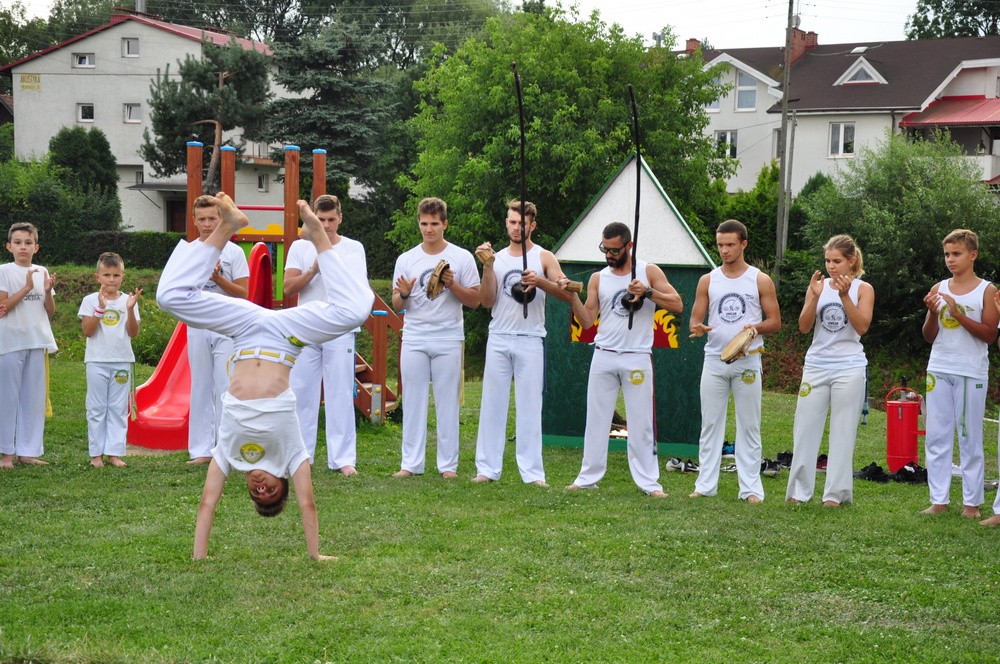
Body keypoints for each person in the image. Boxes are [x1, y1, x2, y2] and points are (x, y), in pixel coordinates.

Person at [156, 193, 373, 561]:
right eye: (270, 491)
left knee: (169, 297)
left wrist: (199, 556)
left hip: (242, 329)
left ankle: (228, 225)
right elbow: (308, 503)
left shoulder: (230, 453)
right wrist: (315, 555)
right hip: (287, 336)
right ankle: (319, 236)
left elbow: (208, 501)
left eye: (256, 494)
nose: (261, 488)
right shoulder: (291, 452)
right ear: (282, 482)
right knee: (355, 311)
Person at [565, 222, 682, 496]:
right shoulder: (598, 278)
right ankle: (587, 478)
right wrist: (572, 296)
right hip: (603, 354)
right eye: (605, 249)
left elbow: (677, 304)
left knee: (641, 423)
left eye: (615, 250)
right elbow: (587, 320)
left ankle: (649, 483)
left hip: (637, 356)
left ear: (629, 246)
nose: (609, 255)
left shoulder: (648, 271)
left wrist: (648, 292)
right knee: (596, 420)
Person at [472, 200, 573, 487]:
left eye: (523, 223)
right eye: (513, 222)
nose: (517, 228)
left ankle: (532, 472)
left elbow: (566, 291)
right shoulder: (497, 258)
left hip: (530, 338)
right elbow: (486, 301)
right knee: (492, 404)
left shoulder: (544, 256)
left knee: (530, 406)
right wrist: (487, 267)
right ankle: (487, 469)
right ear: (506, 223)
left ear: (533, 225)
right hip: (499, 336)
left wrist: (541, 282)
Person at [689, 219, 781, 502]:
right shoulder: (708, 280)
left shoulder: (760, 279)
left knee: (749, 425)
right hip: (714, 359)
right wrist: (698, 327)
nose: (724, 250)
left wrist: (755, 329)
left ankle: (751, 489)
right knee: (710, 424)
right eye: (720, 245)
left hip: (748, 360)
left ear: (744, 244)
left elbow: (775, 321)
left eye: (730, 244)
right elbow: (695, 319)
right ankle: (705, 486)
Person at [391, 197, 480, 478]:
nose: (428, 229)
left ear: (445, 224)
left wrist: (453, 284)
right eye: (424, 223)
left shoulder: (462, 257)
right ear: (418, 223)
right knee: (413, 401)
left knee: (447, 402)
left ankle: (448, 466)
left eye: (434, 224)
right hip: (415, 336)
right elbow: (397, 304)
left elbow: (475, 300)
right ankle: (410, 464)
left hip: (448, 337)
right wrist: (404, 293)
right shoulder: (406, 259)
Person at [785, 235, 873, 506]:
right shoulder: (818, 286)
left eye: (837, 261)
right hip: (816, 365)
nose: (831, 266)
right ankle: (798, 492)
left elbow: (862, 327)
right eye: (827, 261)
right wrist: (813, 296)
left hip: (849, 367)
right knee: (805, 428)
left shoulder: (863, 289)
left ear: (851, 261)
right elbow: (803, 327)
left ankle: (836, 494)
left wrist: (845, 297)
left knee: (843, 430)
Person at [284, 195, 369, 476]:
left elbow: (356, 288)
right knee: (301, 392)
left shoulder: (354, 248)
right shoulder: (299, 247)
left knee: (340, 393)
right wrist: (313, 270)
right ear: (313, 220)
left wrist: (330, 265)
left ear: (340, 219)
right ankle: (300, 456)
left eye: (332, 219)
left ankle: (343, 459)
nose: (327, 225)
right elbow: (288, 288)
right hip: (307, 326)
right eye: (320, 220)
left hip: (340, 327)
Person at [919, 229, 997, 519]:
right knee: (936, 435)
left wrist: (957, 313)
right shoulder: (939, 287)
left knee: (969, 437)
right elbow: (928, 336)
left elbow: (990, 335)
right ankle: (938, 500)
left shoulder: (986, 290)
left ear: (972, 255)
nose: (950, 259)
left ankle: (971, 504)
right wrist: (933, 313)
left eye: (957, 254)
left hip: (970, 371)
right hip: (939, 367)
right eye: (947, 254)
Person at [186, 195, 250, 464]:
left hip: (226, 326)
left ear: (221, 219)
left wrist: (218, 278)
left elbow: (243, 293)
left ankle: (227, 448)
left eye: (212, 218)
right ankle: (201, 450)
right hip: (197, 325)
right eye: (202, 219)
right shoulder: (189, 251)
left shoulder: (234, 252)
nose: (207, 224)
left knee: (226, 386)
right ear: (194, 221)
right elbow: (182, 291)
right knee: (200, 386)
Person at [0, 222, 57, 469]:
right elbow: (3, 307)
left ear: (36, 247)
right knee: (7, 398)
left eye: (28, 243)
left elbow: (50, 311)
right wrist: (26, 287)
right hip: (9, 342)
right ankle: (6, 454)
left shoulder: (42, 271)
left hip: (37, 340)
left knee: (33, 400)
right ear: (9, 246)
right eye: (18, 243)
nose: (23, 247)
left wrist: (47, 291)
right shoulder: (4, 271)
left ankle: (28, 451)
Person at [78, 252, 142, 468]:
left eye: (116, 275)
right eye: (106, 275)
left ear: (123, 276)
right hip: (96, 361)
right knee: (97, 407)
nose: (111, 280)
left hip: (122, 361)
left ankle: (114, 453)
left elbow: (133, 332)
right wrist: (100, 309)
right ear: (98, 277)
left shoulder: (128, 300)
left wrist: (130, 310)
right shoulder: (90, 300)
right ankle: (96, 454)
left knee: (117, 407)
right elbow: (88, 331)